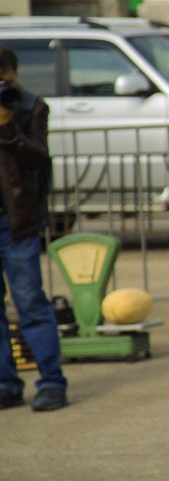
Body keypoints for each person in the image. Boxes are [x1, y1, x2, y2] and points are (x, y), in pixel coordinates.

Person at [0, 45, 68, 411]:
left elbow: (36, 156)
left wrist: (7, 126)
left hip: (16, 220)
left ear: (12, 73)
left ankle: (52, 382)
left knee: (30, 302)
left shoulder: (29, 105)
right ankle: (5, 384)